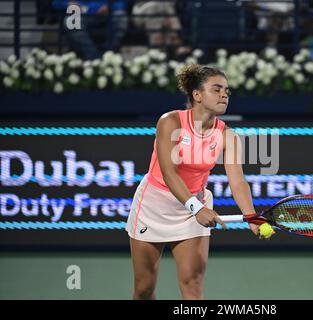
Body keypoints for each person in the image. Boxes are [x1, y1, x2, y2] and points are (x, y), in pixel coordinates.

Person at [125, 64, 262, 300]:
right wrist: (196, 208)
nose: (224, 95)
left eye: (227, 91)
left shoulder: (228, 136)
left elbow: (238, 181)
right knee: (144, 288)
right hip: (153, 206)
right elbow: (169, 174)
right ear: (197, 95)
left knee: (192, 285)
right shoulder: (170, 122)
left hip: (193, 208)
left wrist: (251, 216)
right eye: (217, 89)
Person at [52, 0, 128, 60]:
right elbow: (56, 3)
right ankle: (95, 60)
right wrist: (68, 4)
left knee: (120, 17)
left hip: (108, 13)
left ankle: (109, 56)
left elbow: (122, 2)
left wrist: (109, 6)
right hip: (82, 14)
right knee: (71, 21)